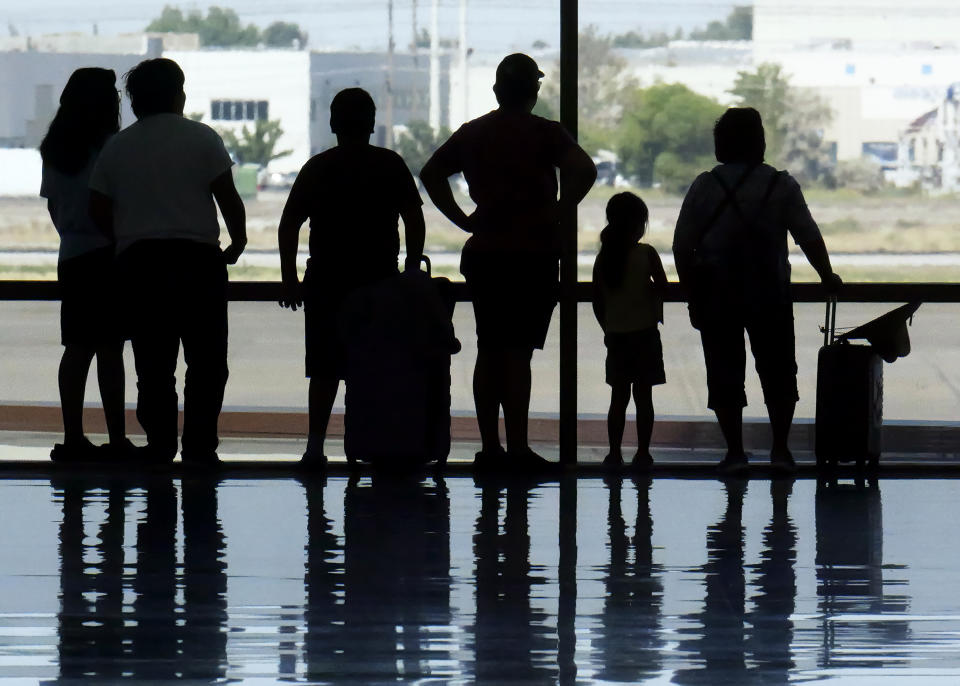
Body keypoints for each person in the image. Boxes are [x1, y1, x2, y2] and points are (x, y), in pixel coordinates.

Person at [420, 53, 596, 471]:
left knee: (489, 348)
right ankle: (517, 447)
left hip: (487, 254)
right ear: (533, 92)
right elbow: (583, 171)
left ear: (498, 90)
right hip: (533, 256)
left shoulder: (475, 134)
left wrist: (463, 219)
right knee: (518, 354)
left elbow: (431, 174)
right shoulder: (546, 134)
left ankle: (490, 447)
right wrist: (556, 210)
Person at [89, 58, 247, 466]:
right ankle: (199, 446)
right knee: (207, 362)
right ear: (178, 94)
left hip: (140, 265)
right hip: (199, 262)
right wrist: (237, 241)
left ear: (136, 100)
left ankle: (160, 444)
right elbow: (227, 196)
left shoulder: (117, 147)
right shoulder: (202, 138)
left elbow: (99, 208)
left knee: (154, 363)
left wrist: (122, 241)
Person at [673, 107, 842, 474]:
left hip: (717, 296)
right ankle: (780, 449)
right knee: (780, 373)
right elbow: (808, 236)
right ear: (760, 141)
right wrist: (827, 275)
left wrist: (692, 295)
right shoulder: (780, 185)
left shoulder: (705, 185)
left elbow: (682, 246)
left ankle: (735, 452)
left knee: (724, 373)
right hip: (771, 295)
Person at [277, 87, 425, 468]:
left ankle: (314, 448)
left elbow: (290, 222)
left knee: (325, 368)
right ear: (372, 124)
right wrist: (409, 268)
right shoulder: (390, 164)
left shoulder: (318, 167)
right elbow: (413, 217)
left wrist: (290, 277)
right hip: (380, 282)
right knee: (375, 368)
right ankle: (372, 445)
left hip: (327, 280)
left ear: (332, 124)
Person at [40, 67, 133, 462]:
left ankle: (73, 436)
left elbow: (54, 205)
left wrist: (73, 235)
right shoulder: (113, 146)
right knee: (110, 350)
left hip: (73, 256)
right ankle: (116, 438)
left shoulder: (55, 147)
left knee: (76, 348)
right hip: (110, 256)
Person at [592, 193, 667, 471]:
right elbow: (663, 287)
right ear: (638, 224)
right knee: (644, 398)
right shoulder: (646, 254)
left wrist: (608, 327)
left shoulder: (605, 258)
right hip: (645, 334)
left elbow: (597, 302)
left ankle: (614, 453)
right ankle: (643, 453)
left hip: (617, 336)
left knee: (618, 398)